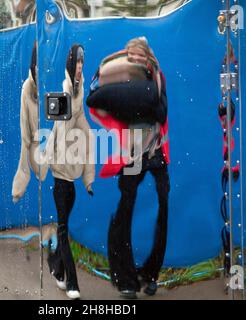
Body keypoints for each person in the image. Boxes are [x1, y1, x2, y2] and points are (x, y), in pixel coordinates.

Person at [87, 37, 170, 299]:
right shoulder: (117, 78)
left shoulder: (157, 77)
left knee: (161, 207)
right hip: (132, 156)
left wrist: (145, 98)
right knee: (126, 209)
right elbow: (95, 99)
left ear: (145, 58)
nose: (133, 60)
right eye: (130, 56)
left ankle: (151, 274)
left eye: (137, 56)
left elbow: (161, 112)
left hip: (156, 154)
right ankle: (125, 278)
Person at [46, 44, 95, 300]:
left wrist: (88, 179)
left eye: (82, 64)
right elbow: (60, 132)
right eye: (76, 63)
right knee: (64, 229)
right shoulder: (65, 92)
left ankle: (55, 264)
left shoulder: (78, 93)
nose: (79, 68)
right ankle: (72, 282)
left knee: (64, 226)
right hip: (60, 176)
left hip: (72, 178)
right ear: (69, 65)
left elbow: (82, 124)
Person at [12, 43, 47, 203]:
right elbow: (25, 138)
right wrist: (18, 188)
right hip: (36, 143)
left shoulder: (55, 83)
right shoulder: (27, 88)